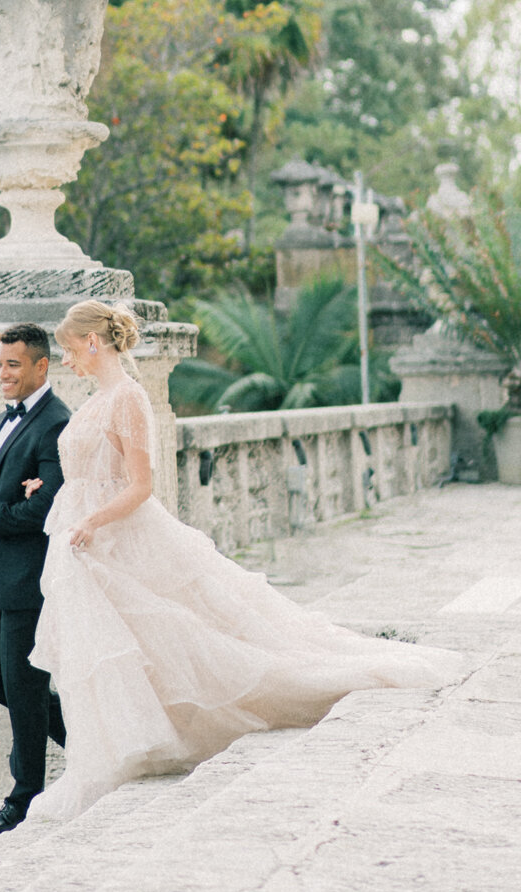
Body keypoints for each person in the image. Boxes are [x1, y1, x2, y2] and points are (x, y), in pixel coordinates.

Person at [24, 298, 461, 825]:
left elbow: (141, 485)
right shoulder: (94, 401)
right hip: (88, 545)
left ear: (93, 343)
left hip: (117, 537)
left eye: (69, 350)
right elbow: (91, 471)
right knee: (116, 647)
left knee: (183, 632)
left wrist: (92, 521)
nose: (66, 360)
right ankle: (121, 745)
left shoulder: (129, 399)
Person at [0, 323, 70, 839]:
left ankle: (24, 797)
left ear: (41, 367)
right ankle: (83, 732)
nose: (2, 374)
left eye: (12, 365)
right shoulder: (7, 417)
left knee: (23, 688)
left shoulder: (56, 423)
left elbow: (44, 512)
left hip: (29, 580)